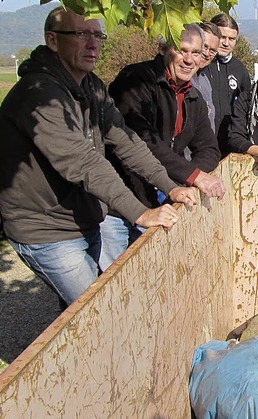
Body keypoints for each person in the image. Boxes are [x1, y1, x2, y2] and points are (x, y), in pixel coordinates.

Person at [0, 7, 198, 305]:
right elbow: (83, 162)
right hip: (46, 230)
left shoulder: (90, 85)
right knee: (99, 310)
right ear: (52, 40)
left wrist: (170, 185)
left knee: (79, 319)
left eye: (97, 35)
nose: (93, 44)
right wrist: (141, 213)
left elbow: (126, 141)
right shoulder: (39, 94)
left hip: (84, 218)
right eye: (81, 34)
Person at [103, 23, 225, 270]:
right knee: (109, 282)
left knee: (147, 278)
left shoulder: (193, 97)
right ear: (162, 49)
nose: (189, 60)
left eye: (197, 53)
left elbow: (209, 149)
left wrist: (185, 180)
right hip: (118, 203)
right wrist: (192, 175)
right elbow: (141, 140)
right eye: (182, 51)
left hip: (157, 203)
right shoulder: (135, 81)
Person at [207, 13, 252, 156]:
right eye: (222, 37)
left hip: (230, 144)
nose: (226, 43)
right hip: (202, 144)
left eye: (231, 39)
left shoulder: (240, 69)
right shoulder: (201, 65)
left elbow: (247, 107)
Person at [192, 22, 222, 133]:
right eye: (204, 47)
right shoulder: (182, 79)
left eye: (212, 50)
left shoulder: (205, 81)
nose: (207, 53)